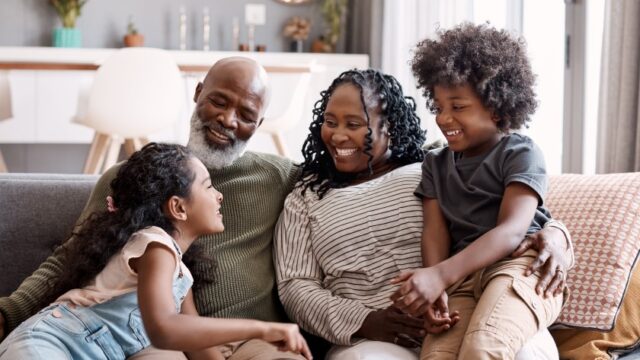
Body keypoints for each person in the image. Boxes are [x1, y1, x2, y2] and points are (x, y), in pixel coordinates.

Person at [0, 57, 307, 360]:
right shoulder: (138, 179)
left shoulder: (279, 177)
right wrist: (9, 312)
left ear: (260, 124)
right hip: (151, 343)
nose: (228, 119)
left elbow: (338, 181)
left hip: (245, 343)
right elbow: (71, 257)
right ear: (198, 93)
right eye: (219, 101)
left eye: (246, 114)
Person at [275, 68, 574, 359]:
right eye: (330, 122)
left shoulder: (428, 162)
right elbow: (295, 286)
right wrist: (367, 321)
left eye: (354, 124)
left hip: (478, 301)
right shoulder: (305, 198)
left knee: (516, 351)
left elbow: (514, 214)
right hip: (379, 338)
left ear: (389, 126)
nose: (338, 136)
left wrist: (557, 234)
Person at [390, 23, 572, 360]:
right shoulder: (436, 163)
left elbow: (511, 231)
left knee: (483, 349)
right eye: (438, 106)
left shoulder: (520, 152)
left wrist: (439, 275)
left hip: (519, 267)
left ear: (497, 107)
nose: (444, 118)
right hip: (462, 279)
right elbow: (434, 232)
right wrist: (435, 287)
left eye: (457, 107)